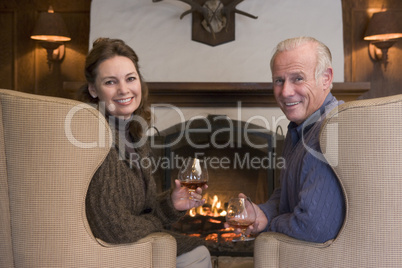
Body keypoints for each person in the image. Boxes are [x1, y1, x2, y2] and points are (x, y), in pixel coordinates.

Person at [78, 38, 212, 268]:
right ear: (93, 89)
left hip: (130, 242)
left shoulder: (134, 135)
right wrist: (157, 219)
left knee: (198, 250)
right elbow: (115, 229)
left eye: (131, 78)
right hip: (106, 251)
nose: (124, 89)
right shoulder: (97, 139)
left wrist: (171, 203)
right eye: (111, 82)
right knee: (197, 254)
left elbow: (140, 210)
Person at [227, 36, 345, 243]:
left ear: (326, 78)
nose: (285, 92)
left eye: (298, 78)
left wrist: (269, 226)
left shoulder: (330, 130)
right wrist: (262, 213)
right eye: (278, 80)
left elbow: (313, 227)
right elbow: (286, 193)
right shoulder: (299, 129)